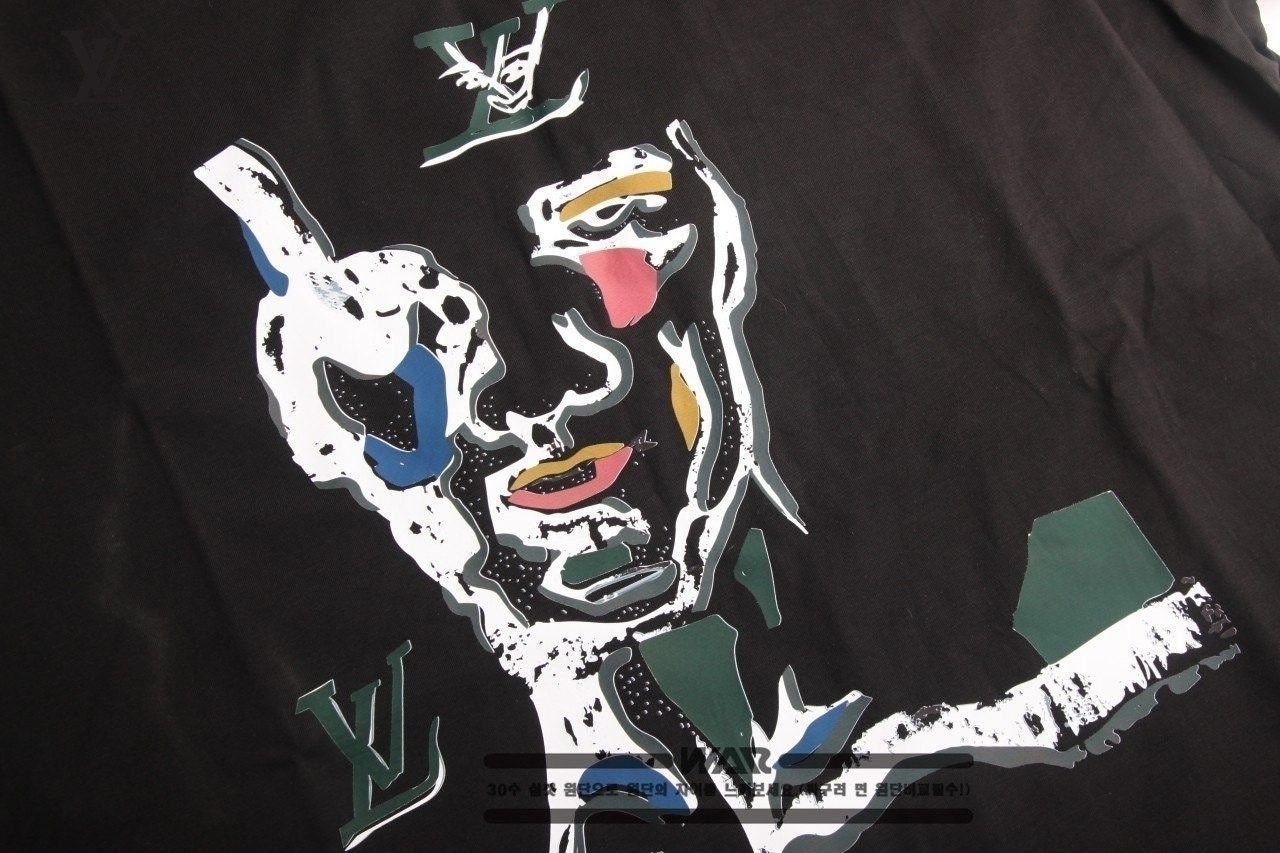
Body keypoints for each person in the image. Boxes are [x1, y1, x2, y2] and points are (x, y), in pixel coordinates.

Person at [195, 121, 1238, 853]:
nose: (539, 400)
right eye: (398, 382)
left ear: (722, 268)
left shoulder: (1128, 619)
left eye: (608, 247)